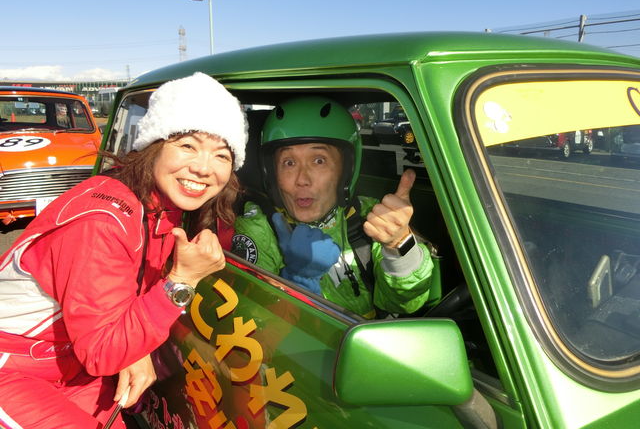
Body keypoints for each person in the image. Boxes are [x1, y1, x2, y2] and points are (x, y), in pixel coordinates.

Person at [0, 72, 248, 428]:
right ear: (154, 146)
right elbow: (104, 351)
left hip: (74, 364)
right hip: (14, 366)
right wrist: (182, 281)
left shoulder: (167, 207)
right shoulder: (103, 219)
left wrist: (135, 349)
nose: (203, 167)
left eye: (222, 155)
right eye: (188, 146)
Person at [231, 96, 434, 319]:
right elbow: (255, 323)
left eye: (319, 160)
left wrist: (398, 246)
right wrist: (297, 280)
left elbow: (404, 304)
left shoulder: (369, 216)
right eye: (289, 163)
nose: (302, 180)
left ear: (346, 170)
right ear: (272, 173)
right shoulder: (260, 229)